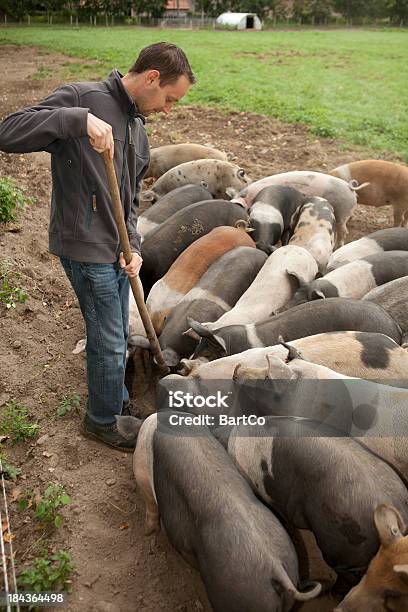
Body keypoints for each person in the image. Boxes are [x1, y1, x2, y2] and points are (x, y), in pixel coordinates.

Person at [0, 42, 195, 451]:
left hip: (118, 249)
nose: (168, 109)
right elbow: (9, 131)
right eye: (169, 99)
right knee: (107, 336)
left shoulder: (137, 131)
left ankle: (118, 403)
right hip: (84, 246)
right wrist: (77, 121)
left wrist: (135, 247)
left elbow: (131, 202)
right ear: (152, 78)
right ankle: (102, 420)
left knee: (117, 331)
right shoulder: (82, 98)